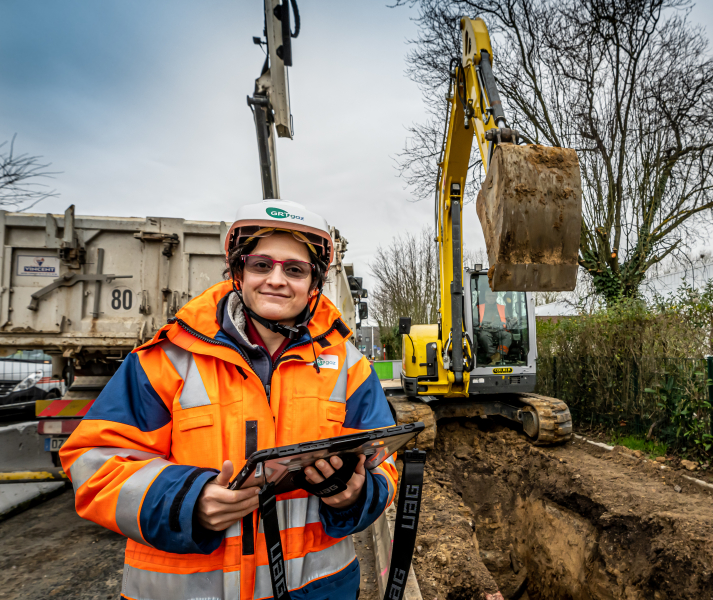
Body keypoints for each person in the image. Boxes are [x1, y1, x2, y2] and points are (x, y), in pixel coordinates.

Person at [60, 199, 399, 600]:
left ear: (314, 282)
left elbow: (384, 464)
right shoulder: (166, 359)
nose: (276, 279)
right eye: (261, 265)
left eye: (294, 269)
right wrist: (188, 500)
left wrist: (354, 493)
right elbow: (93, 464)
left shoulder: (349, 365)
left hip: (319, 588)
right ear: (238, 271)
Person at [476, 289, 513, 364]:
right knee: (484, 336)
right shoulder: (478, 308)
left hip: (499, 330)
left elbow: (508, 319)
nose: (491, 298)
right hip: (485, 330)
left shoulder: (502, 307)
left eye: (493, 296)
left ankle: (498, 355)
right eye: (489, 296)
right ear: (485, 297)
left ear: (496, 297)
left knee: (508, 335)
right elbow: (474, 320)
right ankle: (493, 356)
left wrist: (512, 321)